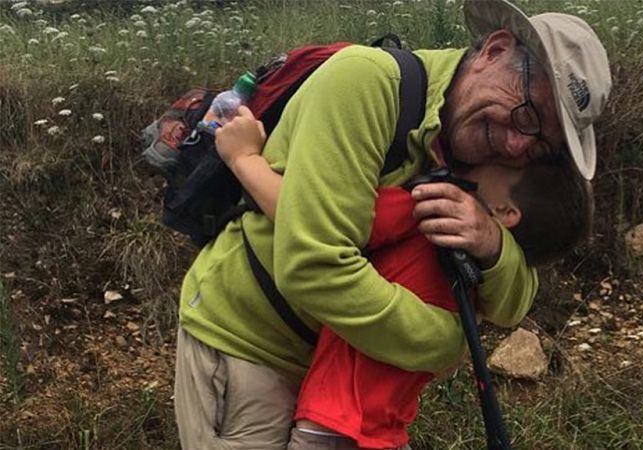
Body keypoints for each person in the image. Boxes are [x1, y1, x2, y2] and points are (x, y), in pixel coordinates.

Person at [173, 0, 611, 448]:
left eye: (539, 145)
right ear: (495, 50)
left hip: (335, 366)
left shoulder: (480, 157)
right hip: (249, 346)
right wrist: (450, 343)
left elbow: (514, 303)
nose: (517, 144)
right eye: (527, 113)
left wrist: (492, 242)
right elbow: (313, 265)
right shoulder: (366, 85)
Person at [211, 120, 592, 449]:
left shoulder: (426, 207)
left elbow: (310, 220)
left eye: (508, 164)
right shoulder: (485, 269)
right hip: (386, 430)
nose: (501, 153)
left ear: (506, 212)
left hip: (334, 423)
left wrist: (242, 158)